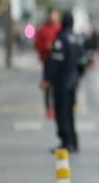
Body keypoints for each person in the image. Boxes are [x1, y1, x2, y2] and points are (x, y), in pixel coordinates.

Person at [40, 11, 86, 153]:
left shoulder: (61, 39)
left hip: (61, 81)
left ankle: (65, 142)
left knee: (61, 112)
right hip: (72, 81)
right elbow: (82, 61)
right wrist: (79, 76)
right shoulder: (76, 38)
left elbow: (55, 60)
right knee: (70, 112)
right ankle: (73, 141)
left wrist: (47, 79)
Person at [34, 8, 61, 119]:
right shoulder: (42, 29)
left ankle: (57, 107)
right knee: (47, 85)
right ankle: (48, 108)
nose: (53, 17)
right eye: (51, 15)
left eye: (55, 15)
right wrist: (45, 47)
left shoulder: (60, 28)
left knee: (58, 86)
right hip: (48, 59)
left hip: (60, 61)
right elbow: (36, 44)